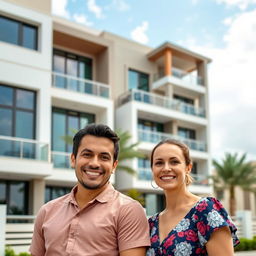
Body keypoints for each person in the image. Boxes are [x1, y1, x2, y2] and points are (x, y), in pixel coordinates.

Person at [30, 124, 150, 256]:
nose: (94, 163)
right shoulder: (47, 211)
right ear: (73, 159)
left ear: (114, 166)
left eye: (104, 157)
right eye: (87, 154)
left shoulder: (128, 211)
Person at [147, 139, 239, 256]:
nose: (166, 168)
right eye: (159, 163)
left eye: (174, 162)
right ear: (152, 169)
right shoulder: (151, 224)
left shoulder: (205, 210)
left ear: (188, 168)